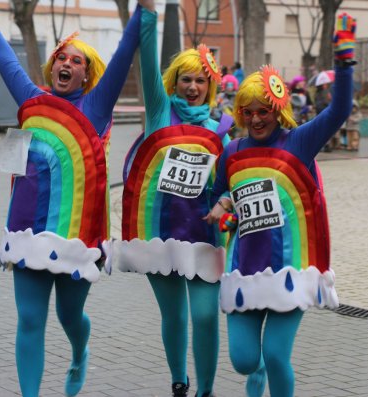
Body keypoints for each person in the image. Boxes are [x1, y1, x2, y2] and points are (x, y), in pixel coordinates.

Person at [0, 0, 144, 395]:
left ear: (86, 75)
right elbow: (8, 64)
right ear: (53, 67)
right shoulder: (33, 100)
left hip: (75, 236)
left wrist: (143, 11)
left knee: (70, 317)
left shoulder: (96, 107)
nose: (66, 64)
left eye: (77, 61)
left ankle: (79, 351)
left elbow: (123, 56)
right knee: (30, 321)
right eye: (61, 58)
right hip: (27, 232)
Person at [204, 13, 356, 397]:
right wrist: (221, 205)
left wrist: (343, 60)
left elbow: (338, 112)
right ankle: (254, 378)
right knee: (243, 361)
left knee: (274, 356)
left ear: (277, 109)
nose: (256, 119)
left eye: (263, 110)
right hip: (244, 270)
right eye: (248, 111)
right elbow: (224, 189)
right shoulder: (233, 152)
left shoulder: (298, 143)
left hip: (290, 269)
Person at [106, 1, 241, 396]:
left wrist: (228, 202)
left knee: (203, 316)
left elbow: (236, 179)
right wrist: (147, 12)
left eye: (201, 80)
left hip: (203, 237)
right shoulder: (159, 111)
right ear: (173, 82)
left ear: (211, 86)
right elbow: (146, 57)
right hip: (161, 235)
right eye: (186, 79)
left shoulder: (222, 129)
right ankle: (179, 383)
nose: (193, 87)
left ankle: (207, 390)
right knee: (173, 316)